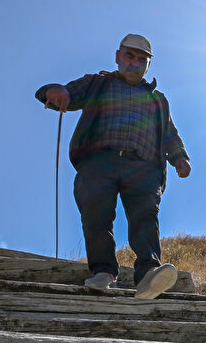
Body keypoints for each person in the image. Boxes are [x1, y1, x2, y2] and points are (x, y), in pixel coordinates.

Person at [35, 33, 191, 299]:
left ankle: (149, 274)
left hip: (143, 166)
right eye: (129, 56)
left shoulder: (158, 100)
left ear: (148, 65)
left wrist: (180, 157)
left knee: (145, 216)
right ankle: (104, 272)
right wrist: (55, 91)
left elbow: (169, 134)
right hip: (99, 161)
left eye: (142, 60)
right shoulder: (97, 83)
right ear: (118, 56)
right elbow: (68, 93)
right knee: (96, 212)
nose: (135, 63)